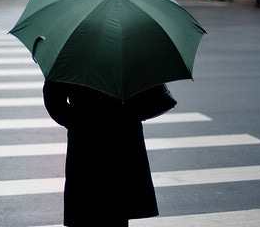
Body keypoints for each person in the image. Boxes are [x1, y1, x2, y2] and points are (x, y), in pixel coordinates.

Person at [43, 81, 177, 226]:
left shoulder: (70, 60)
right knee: (118, 209)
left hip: (86, 142)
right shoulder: (129, 59)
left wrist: (78, 122)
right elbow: (153, 100)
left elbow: (54, 101)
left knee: (85, 207)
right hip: (122, 139)